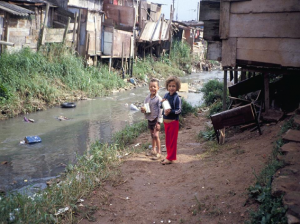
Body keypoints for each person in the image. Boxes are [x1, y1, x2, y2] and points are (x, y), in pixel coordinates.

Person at [161, 76, 182, 165]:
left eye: (173, 86)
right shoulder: (166, 95)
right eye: (169, 86)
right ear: (167, 87)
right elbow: (161, 106)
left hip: (173, 122)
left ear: (177, 87)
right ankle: (168, 156)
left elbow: (179, 110)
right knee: (168, 141)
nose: (171, 88)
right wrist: (161, 103)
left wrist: (171, 111)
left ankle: (170, 158)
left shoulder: (177, 98)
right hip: (166, 122)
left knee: (173, 141)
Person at [141, 78, 163, 160]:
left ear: (158, 88)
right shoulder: (147, 98)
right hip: (149, 119)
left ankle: (159, 152)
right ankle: (153, 150)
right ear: (148, 88)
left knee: (156, 135)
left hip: (156, 120)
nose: (152, 88)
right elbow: (146, 109)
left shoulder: (159, 99)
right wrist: (143, 110)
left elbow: (161, 111)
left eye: (154, 87)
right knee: (152, 135)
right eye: (151, 87)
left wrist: (158, 122)